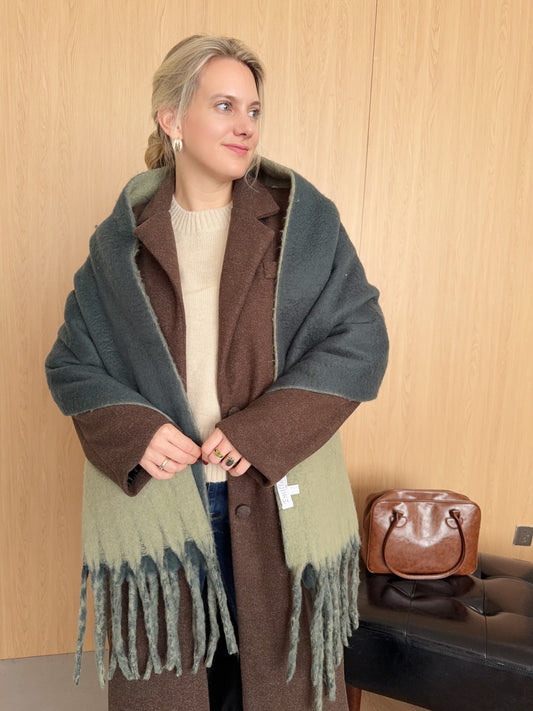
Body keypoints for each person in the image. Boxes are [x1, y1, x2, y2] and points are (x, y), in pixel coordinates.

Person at [45, 35, 388, 711]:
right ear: (171, 118)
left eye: (253, 110)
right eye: (224, 105)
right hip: (165, 510)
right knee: (176, 688)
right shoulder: (120, 244)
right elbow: (72, 363)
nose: (245, 126)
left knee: (267, 686)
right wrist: (136, 431)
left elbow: (360, 341)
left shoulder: (299, 224)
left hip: (272, 498)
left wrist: (260, 432)